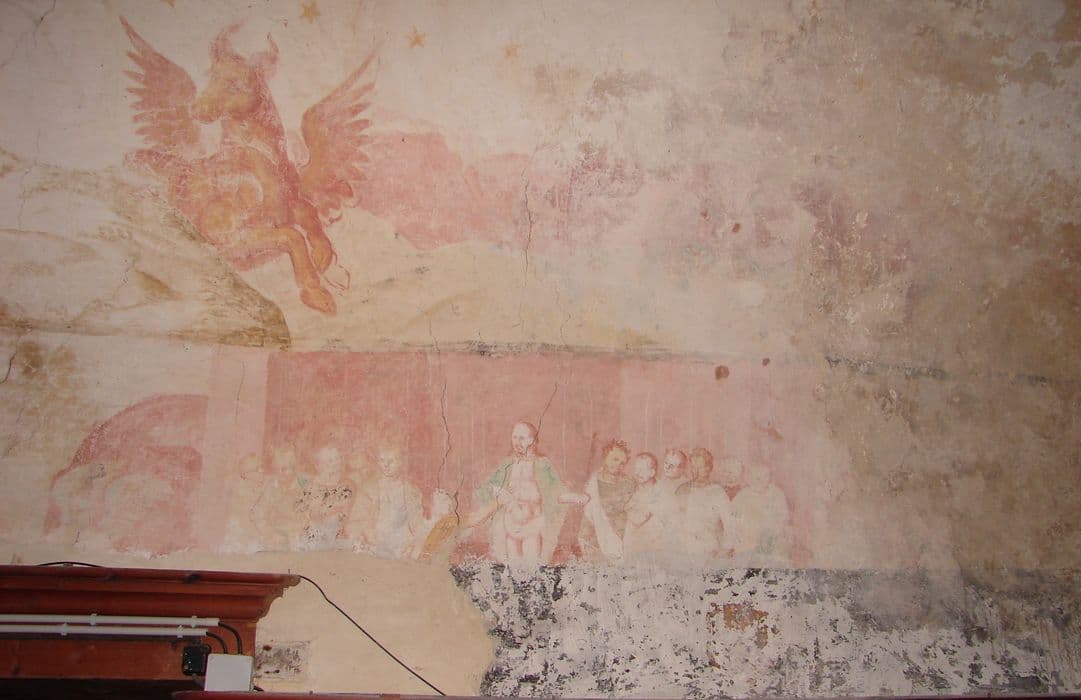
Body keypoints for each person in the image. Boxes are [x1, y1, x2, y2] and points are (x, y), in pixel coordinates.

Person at [470, 421, 583, 565]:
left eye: (521, 438)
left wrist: (573, 497)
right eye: (514, 437)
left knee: (532, 566)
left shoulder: (543, 464)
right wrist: (498, 491)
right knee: (512, 567)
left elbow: (556, 490)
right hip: (510, 524)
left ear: (532, 440)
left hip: (533, 524)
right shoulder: (507, 464)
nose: (517, 442)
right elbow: (486, 488)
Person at [578, 438, 636, 562]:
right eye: (615, 459)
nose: (618, 465)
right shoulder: (592, 484)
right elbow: (588, 517)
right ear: (605, 457)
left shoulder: (630, 483)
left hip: (624, 540)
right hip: (596, 540)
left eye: (622, 463)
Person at [369, 446, 424, 558]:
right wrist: (369, 532)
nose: (386, 465)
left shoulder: (409, 489)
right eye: (382, 460)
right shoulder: (374, 486)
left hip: (400, 543)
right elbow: (369, 518)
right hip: (377, 541)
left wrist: (414, 543)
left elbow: (416, 521)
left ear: (401, 463)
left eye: (391, 461)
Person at [677, 447, 732, 561]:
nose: (695, 471)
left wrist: (724, 550)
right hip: (683, 549)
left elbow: (730, 524)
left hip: (708, 550)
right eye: (693, 467)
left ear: (708, 468)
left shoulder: (717, 492)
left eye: (700, 467)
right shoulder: (682, 489)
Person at [622, 452, 664, 561]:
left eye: (642, 469)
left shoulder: (659, 491)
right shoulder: (635, 489)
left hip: (652, 549)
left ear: (652, 472)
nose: (637, 473)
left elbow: (638, 519)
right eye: (636, 469)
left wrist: (626, 509)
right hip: (633, 548)